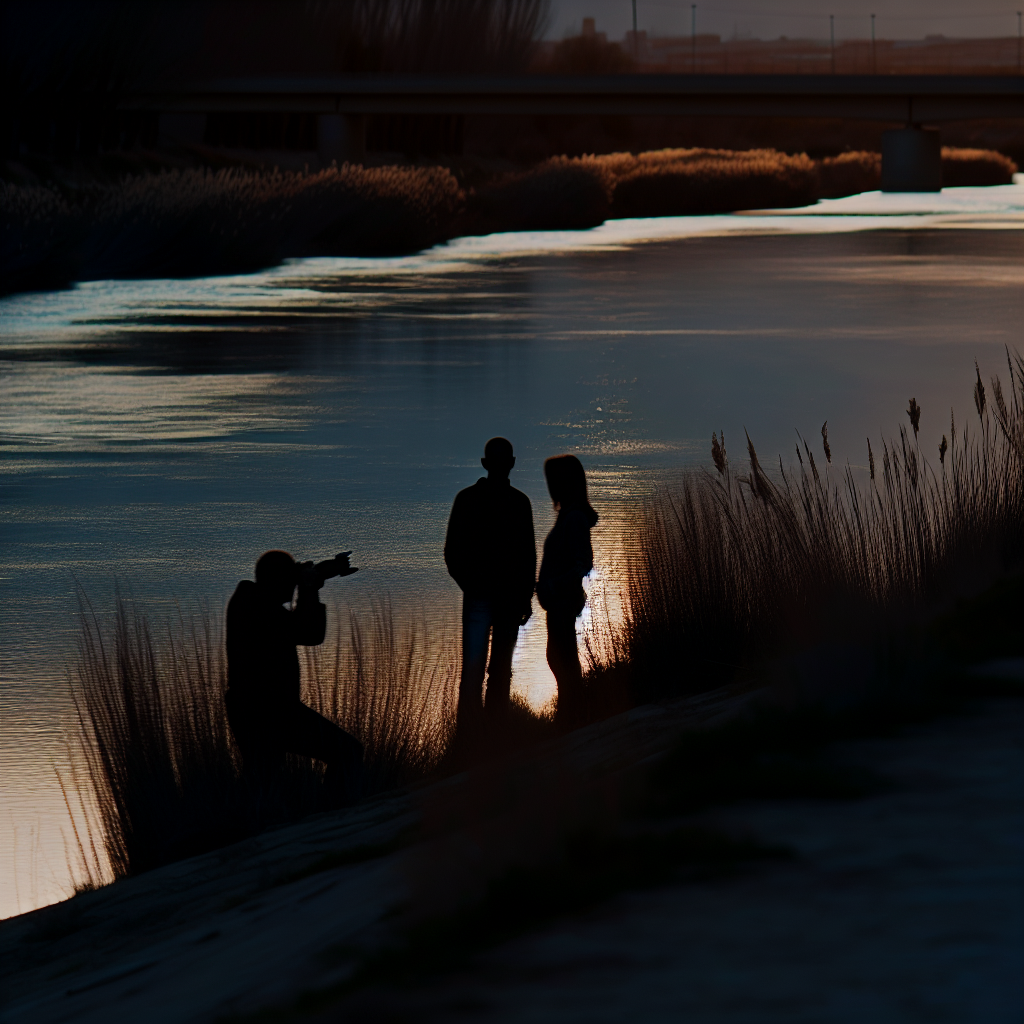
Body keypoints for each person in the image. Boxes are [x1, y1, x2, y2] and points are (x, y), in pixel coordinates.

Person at [225, 549, 363, 805]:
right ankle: (335, 815)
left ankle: (238, 827)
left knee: (262, 777)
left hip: (258, 707)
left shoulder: (250, 601)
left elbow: (296, 621)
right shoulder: (257, 608)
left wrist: (320, 574)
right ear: (275, 580)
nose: (292, 588)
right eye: (289, 580)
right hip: (268, 711)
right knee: (347, 752)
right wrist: (309, 587)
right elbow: (310, 632)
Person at [444, 437, 536, 735]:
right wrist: (472, 587)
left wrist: (522, 597)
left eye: (501, 461)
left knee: (489, 671)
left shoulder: (474, 499)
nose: (499, 466)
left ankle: (484, 737)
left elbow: (527, 556)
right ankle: (478, 738)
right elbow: (452, 553)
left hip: (498, 599)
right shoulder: (510, 502)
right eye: (497, 461)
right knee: (483, 672)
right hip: (489, 598)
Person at [536, 454, 598, 731]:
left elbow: (583, 563)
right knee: (559, 658)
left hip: (563, 601)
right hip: (558, 602)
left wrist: (553, 585)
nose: (551, 486)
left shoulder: (574, 519)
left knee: (563, 659)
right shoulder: (568, 517)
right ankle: (571, 715)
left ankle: (572, 719)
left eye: (556, 480)